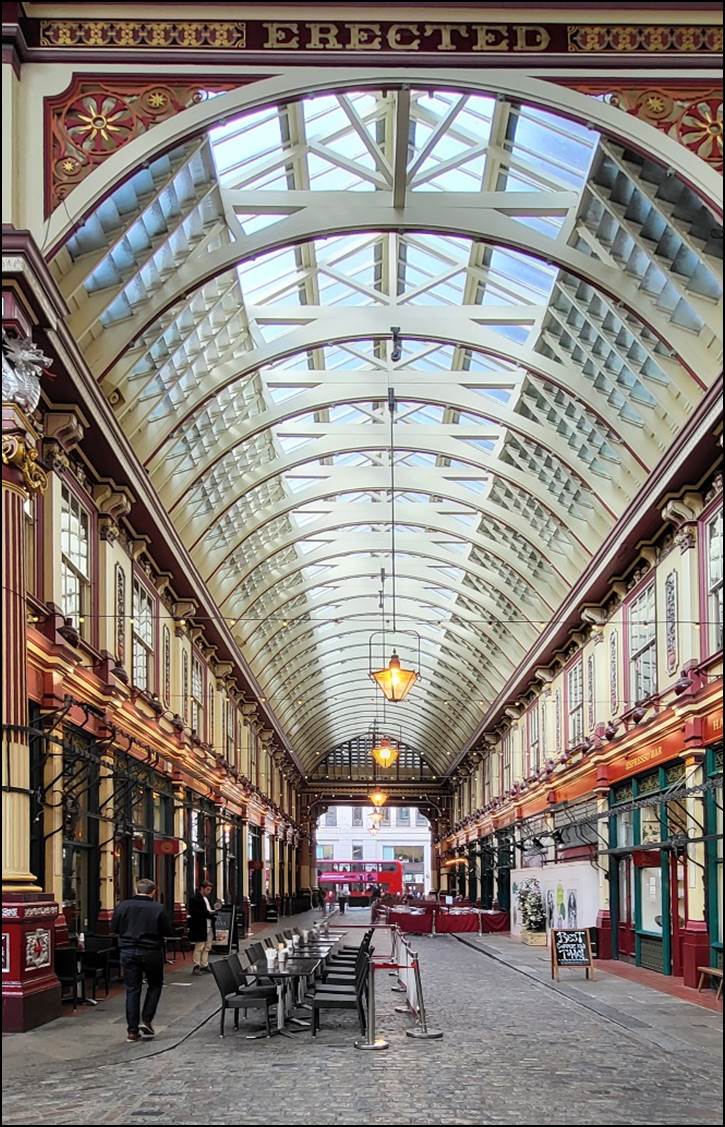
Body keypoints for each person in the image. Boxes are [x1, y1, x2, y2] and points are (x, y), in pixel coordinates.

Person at [110, 877, 171, 1043]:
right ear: (153, 892)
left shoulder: (122, 906)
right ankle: (147, 1019)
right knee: (155, 984)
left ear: (137, 890)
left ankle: (132, 1031)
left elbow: (113, 928)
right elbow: (167, 930)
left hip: (128, 951)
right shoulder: (158, 908)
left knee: (132, 989)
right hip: (151, 952)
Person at [188, 880, 216, 974]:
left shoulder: (207, 899)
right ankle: (196, 965)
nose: (209, 892)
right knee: (199, 946)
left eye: (210, 890)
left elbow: (209, 910)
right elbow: (194, 913)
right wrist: (209, 913)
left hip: (209, 926)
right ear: (202, 888)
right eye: (208, 889)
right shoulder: (194, 899)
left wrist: (213, 913)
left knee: (207, 946)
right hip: (200, 926)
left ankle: (204, 964)